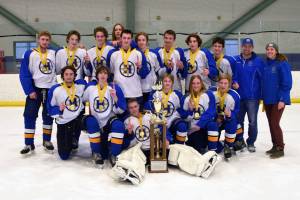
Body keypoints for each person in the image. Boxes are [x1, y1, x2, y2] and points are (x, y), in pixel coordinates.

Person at [19, 31, 56, 154]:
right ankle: (29, 144)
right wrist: (29, 90)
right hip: (35, 89)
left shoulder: (53, 53)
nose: (45, 42)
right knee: (29, 115)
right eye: (42, 39)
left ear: (49, 41)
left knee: (48, 115)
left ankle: (47, 141)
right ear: (38, 40)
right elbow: (24, 73)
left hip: (49, 89)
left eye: (47, 40)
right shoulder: (30, 54)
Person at [83, 66, 127, 167]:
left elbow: (120, 110)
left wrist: (115, 97)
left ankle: (114, 154)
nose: (103, 75)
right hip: (95, 120)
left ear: (108, 75)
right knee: (90, 122)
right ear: (97, 75)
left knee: (119, 125)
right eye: (101, 73)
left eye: (105, 73)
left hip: (109, 119)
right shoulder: (90, 88)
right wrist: (87, 114)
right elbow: (84, 101)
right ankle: (96, 153)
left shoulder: (114, 88)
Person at [47, 66, 86, 160]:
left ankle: (74, 137)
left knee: (92, 123)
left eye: (71, 74)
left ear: (75, 76)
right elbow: (50, 110)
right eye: (66, 74)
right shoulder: (55, 89)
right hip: (63, 123)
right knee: (64, 156)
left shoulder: (81, 86)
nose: (69, 76)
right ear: (62, 76)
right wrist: (59, 109)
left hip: (77, 120)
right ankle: (70, 139)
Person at [233, 38, 265, 152]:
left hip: (253, 98)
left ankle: (251, 142)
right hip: (239, 97)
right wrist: (234, 82)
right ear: (241, 47)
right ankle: (240, 140)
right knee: (238, 121)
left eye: (249, 46)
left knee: (252, 122)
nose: (247, 48)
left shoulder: (258, 61)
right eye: (245, 46)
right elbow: (233, 75)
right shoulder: (236, 60)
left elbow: (263, 79)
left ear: (252, 47)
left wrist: (262, 96)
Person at [262, 43, 292, 159]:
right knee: (271, 124)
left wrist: (282, 99)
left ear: (276, 51)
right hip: (268, 99)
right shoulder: (265, 64)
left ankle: (280, 147)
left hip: (278, 100)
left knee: (275, 123)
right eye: (268, 49)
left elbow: (287, 82)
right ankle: (274, 145)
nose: (269, 51)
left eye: (272, 49)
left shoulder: (282, 64)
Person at [108, 29, 149, 105]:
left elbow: (144, 75)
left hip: (135, 94)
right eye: (124, 38)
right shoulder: (114, 55)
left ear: (131, 40)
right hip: (120, 94)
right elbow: (111, 74)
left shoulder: (139, 54)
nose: (126, 40)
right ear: (120, 39)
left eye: (128, 38)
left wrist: (140, 68)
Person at [145, 74, 188, 144]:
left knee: (182, 126)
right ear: (162, 82)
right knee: (167, 139)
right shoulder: (156, 94)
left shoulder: (177, 94)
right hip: (160, 120)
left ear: (172, 83)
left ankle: (180, 146)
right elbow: (149, 107)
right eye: (165, 81)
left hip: (173, 119)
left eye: (169, 81)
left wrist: (185, 110)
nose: (167, 83)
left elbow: (183, 109)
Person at [182, 75, 216, 154]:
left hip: (204, 127)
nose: (196, 85)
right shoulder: (187, 98)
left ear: (201, 84)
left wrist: (199, 125)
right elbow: (185, 118)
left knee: (212, 125)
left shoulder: (208, 95)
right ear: (190, 85)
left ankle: (213, 151)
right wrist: (190, 110)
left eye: (198, 83)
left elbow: (211, 113)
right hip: (192, 130)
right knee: (195, 148)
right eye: (193, 83)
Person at [209, 74, 240, 159]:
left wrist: (230, 115)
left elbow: (237, 112)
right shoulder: (212, 93)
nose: (223, 85)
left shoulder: (234, 95)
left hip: (227, 120)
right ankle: (218, 146)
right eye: (221, 83)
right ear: (218, 83)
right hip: (216, 120)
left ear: (229, 84)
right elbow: (207, 110)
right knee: (217, 148)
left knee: (234, 123)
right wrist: (216, 117)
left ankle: (229, 145)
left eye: (225, 83)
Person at [135, 32, 164, 105]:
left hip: (151, 89)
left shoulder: (154, 54)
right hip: (137, 90)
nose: (141, 42)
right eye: (139, 40)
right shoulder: (133, 54)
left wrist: (169, 68)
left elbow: (159, 71)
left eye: (143, 40)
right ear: (136, 42)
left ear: (147, 42)